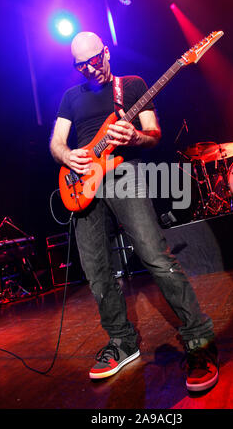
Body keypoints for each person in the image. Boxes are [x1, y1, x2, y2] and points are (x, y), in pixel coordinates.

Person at [50, 31, 218, 392]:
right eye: (81, 66)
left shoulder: (135, 85)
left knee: (156, 258)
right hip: (83, 184)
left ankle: (199, 341)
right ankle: (122, 342)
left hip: (125, 174)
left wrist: (135, 139)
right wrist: (68, 156)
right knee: (96, 272)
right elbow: (57, 143)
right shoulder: (70, 98)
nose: (89, 70)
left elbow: (153, 133)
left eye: (94, 61)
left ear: (106, 53)